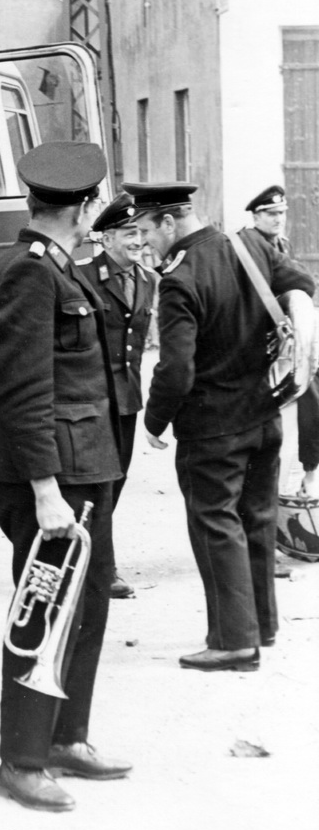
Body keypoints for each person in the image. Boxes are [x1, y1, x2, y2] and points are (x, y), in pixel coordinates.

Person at [0, 141, 131, 814]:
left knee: (88, 608)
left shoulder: (58, 267)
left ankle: (67, 737)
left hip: (86, 469)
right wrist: (44, 489)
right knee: (41, 612)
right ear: (86, 207)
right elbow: (23, 389)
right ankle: (21, 759)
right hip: (52, 479)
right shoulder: (30, 273)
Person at [126, 180, 315, 672]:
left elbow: (176, 368)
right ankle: (260, 626)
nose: (145, 242)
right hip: (264, 417)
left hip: (212, 428)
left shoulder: (180, 279)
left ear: (170, 222)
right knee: (256, 520)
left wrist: (155, 420)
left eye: (148, 230)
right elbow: (302, 284)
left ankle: (233, 642)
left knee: (216, 526)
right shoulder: (247, 244)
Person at [79, 192, 155, 599]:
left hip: (127, 400)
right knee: (100, 486)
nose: (138, 241)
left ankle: (91, 558)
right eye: (129, 234)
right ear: (106, 239)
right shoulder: (82, 276)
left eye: (140, 233)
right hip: (94, 400)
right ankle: (101, 570)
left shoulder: (148, 280)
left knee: (118, 482)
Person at [239, 183, 298, 577]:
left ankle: (267, 541)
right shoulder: (247, 249)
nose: (278, 220)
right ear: (256, 216)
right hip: (253, 359)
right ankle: (256, 546)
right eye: (271, 214)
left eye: (281, 213)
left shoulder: (282, 246)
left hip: (279, 359)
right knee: (257, 461)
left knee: (280, 455)